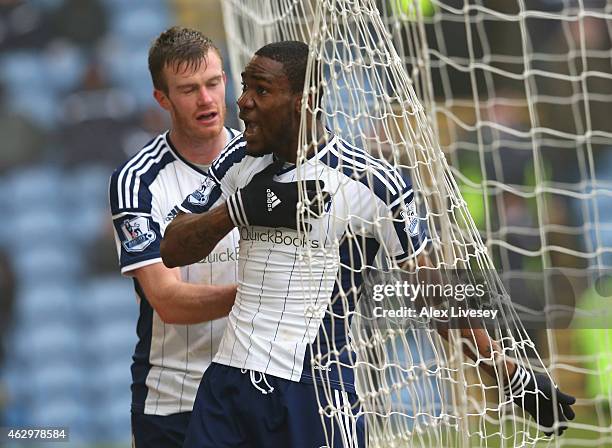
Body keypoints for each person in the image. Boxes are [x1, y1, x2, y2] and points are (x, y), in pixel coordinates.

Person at [161, 41, 576, 447]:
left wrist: (507, 372)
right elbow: (173, 247)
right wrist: (237, 211)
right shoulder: (238, 159)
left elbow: (431, 293)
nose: (244, 102)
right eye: (246, 87)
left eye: (262, 90)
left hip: (314, 393)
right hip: (227, 384)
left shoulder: (372, 183)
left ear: (305, 102)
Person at [108, 27, 240, 448]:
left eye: (213, 83)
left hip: (258, 391)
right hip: (176, 403)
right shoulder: (136, 182)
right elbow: (166, 301)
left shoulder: (262, 162)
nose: (205, 99)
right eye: (188, 89)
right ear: (162, 99)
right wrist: (260, 295)